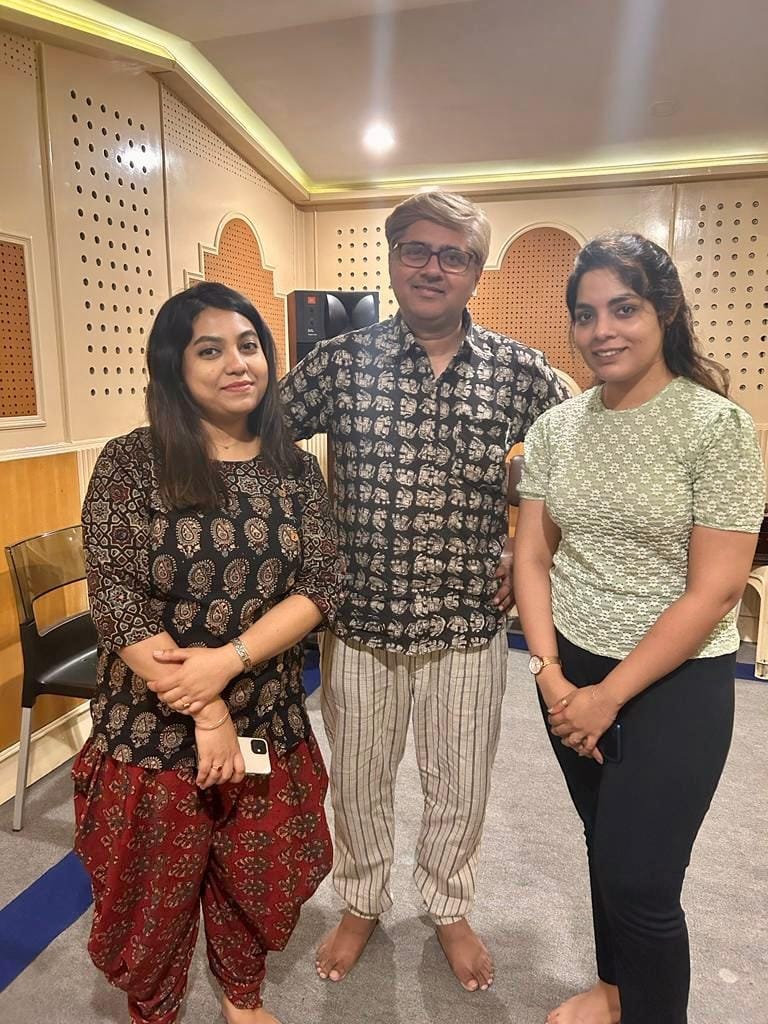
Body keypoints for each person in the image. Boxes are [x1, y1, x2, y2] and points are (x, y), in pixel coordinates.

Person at [280, 190, 567, 991]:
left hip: (469, 620)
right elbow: (259, 441)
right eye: (417, 250)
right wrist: (304, 542)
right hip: (360, 620)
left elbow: (581, 457)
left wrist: (532, 545)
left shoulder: (518, 370)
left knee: (460, 784)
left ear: (476, 271)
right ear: (394, 257)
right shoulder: (340, 362)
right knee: (360, 779)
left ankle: (447, 905)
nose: (433, 268)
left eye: (454, 256)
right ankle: (361, 901)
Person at [513, 233, 765, 1024]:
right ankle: (614, 990)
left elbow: (716, 590)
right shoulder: (556, 427)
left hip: (673, 681)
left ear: (665, 311)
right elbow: (532, 556)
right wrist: (550, 673)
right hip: (569, 671)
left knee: (643, 883)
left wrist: (606, 696)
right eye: (585, 315)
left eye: (623, 309)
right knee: (603, 841)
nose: (602, 331)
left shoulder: (717, 427)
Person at [74, 281, 341, 1024]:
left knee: (256, 879)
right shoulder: (133, 462)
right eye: (210, 350)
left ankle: (241, 997)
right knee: (149, 897)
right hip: (152, 729)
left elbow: (322, 584)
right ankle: (155, 1008)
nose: (238, 364)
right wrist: (208, 713)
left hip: (268, 719)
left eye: (249, 346)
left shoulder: (295, 468)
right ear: (175, 366)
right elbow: (117, 598)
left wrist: (228, 662)